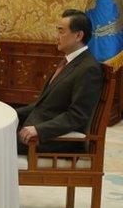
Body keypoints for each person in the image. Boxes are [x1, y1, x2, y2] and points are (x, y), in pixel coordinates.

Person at [16, 9, 103, 154]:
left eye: (61, 31)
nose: (56, 36)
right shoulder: (69, 62)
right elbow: (42, 106)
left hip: (55, 140)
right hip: (35, 128)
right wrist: (11, 114)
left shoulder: (88, 69)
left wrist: (39, 129)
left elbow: (77, 116)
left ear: (78, 35)